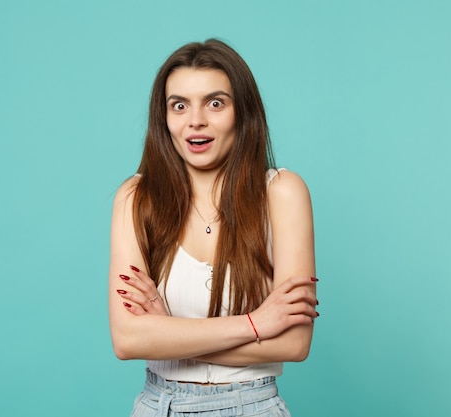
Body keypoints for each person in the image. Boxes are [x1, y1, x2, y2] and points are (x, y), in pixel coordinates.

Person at [108, 39, 318, 417]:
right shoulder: (136, 198)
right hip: (159, 406)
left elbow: (293, 344)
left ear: (243, 112)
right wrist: (256, 324)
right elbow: (127, 339)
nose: (195, 121)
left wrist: (168, 334)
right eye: (179, 105)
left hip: (251, 406)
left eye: (215, 102)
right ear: (164, 116)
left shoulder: (282, 193)